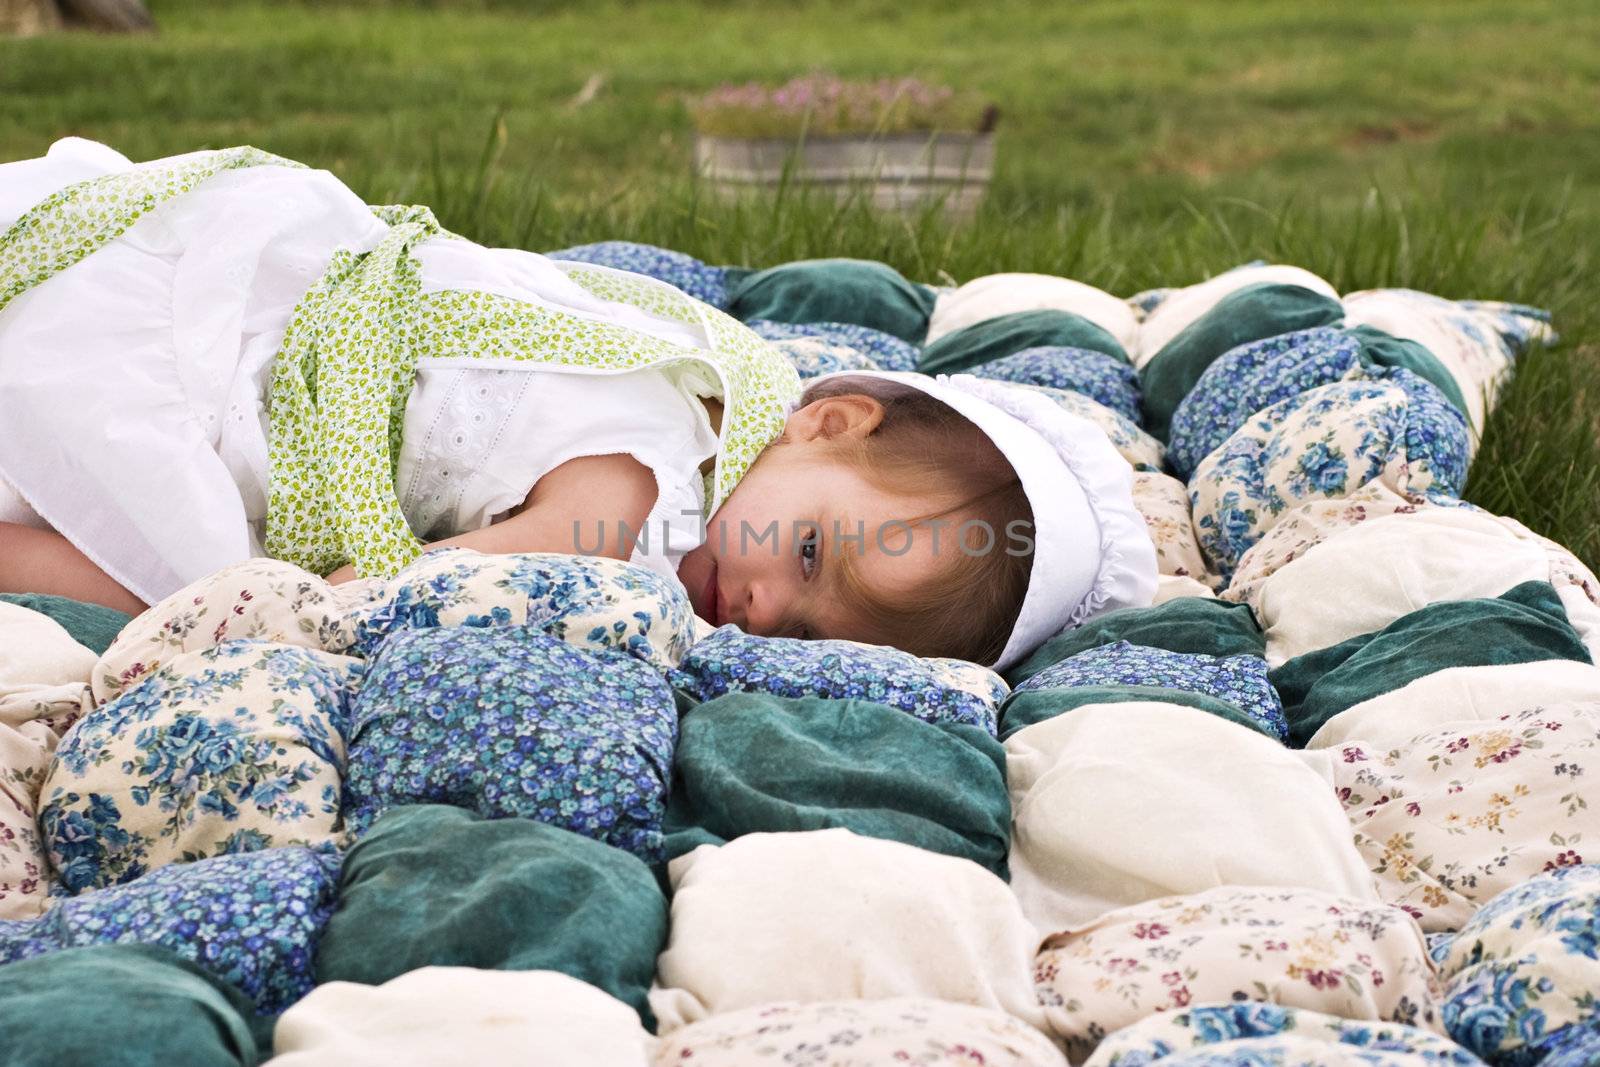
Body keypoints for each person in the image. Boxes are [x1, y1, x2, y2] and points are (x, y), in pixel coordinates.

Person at [0, 138, 1158, 670]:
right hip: (232, 359)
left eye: (807, 629)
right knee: (207, 576)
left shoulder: (697, 382)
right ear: (827, 417)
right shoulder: (644, 480)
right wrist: (336, 604)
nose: (761, 603)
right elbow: (389, 595)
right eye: (808, 548)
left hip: (235, 268)